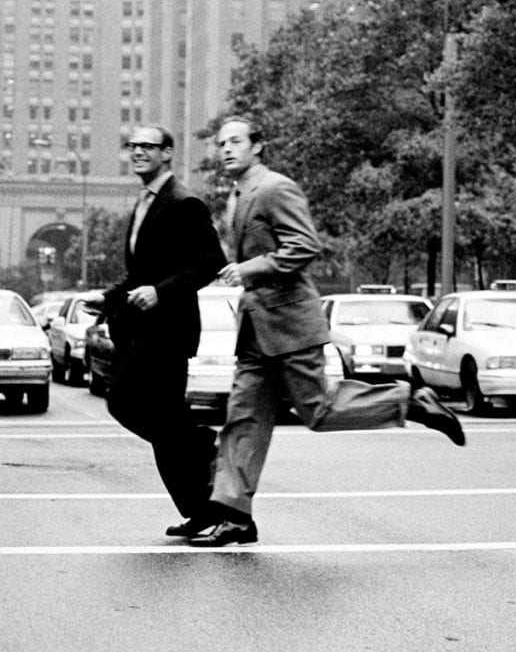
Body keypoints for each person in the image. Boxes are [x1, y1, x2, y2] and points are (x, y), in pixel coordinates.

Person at [188, 115, 465, 547]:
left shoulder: (275, 187)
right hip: (256, 330)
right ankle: (235, 516)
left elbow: (304, 245)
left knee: (318, 412)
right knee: (242, 419)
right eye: (221, 142)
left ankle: (410, 402)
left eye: (236, 141)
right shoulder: (237, 195)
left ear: (258, 146)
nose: (226, 149)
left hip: (290, 322)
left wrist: (249, 269)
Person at [84, 125, 227, 537]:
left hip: (167, 332)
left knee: (126, 404)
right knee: (160, 422)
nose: (139, 152)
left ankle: (198, 440)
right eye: (134, 146)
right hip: (141, 330)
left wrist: (161, 293)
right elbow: (141, 273)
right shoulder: (145, 203)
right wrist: (109, 296)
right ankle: (200, 508)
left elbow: (210, 262)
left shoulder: (184, 203)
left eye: (149, 146)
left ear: (168, 153)